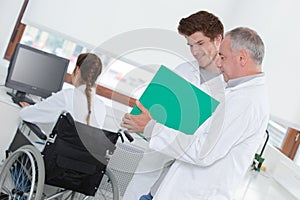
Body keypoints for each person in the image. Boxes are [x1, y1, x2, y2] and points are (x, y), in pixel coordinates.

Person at [121, 27, 269, 199]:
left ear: (242, 58)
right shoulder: (236, 93)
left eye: (223, 57)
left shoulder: (246, 102)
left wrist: (151, 127)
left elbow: (203, 151)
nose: (219, 64)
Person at [122, 10, 225, 200]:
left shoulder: (228, 88)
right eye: (190, 45)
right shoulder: (182, 72)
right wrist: (137, 121)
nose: (194, 51)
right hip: (154, 172)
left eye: (200, 43)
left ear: (217, 39)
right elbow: (154, 116)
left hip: (186, 183)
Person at [19, 53, 106, 129]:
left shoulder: (67, 96)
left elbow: (26, 115)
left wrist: (27, 108)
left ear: (77, 70)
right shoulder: (101, 106)